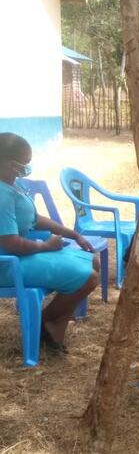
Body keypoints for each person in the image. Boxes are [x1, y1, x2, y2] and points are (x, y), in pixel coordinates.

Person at [0, 132, 99, 354]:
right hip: (8, 264)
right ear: (6, 163)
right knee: (89, 278)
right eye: (22, 165)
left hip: (23, 255)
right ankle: (46, 322)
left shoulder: (12, 184)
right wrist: (46, 247)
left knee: (93, 262)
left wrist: (74, 235)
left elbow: (35, 219)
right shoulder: (1, 194)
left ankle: (52, 323)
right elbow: (10, 242)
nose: (25, 170)